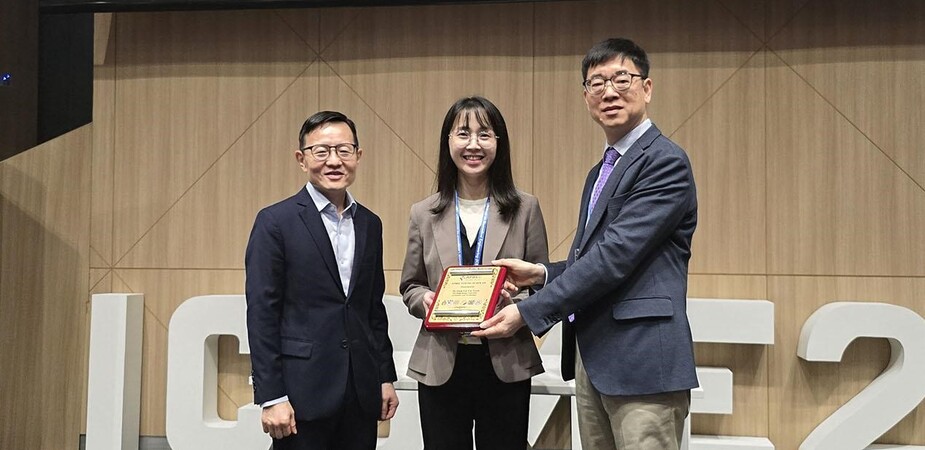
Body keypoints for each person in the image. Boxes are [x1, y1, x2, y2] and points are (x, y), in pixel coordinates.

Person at [473, 38, 699, 450]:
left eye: (621, 79)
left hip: (642, 363)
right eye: (597, 83)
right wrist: (542, 273)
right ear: (585, 96)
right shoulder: (602, 170)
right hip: (594, 361)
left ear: (647, 88)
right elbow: (593, 257)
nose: (609, 92)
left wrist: (527, 312)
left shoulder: (664, 161)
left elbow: (614, 258)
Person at [399, 96, 549, 450]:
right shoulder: (424, 213)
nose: (473, 144)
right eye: (463, 133)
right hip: (440, 363)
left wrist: (517, 301)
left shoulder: (525, 208)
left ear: (499, 142)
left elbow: (542, 286)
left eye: (485, 134)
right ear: (448, 141)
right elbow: (409, 286)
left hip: (506, 358)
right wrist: (428, 300)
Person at [245, 111, 399, 450]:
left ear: (358, 156)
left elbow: (372, 309)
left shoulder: (370, 224)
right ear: (302, 160)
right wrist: (271, 396)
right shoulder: (275, 222)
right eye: (321, 151)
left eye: (344, 150)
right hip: (301, 395)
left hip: (360, 393)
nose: (334, 161)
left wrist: (384, 376)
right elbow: (262, 314)